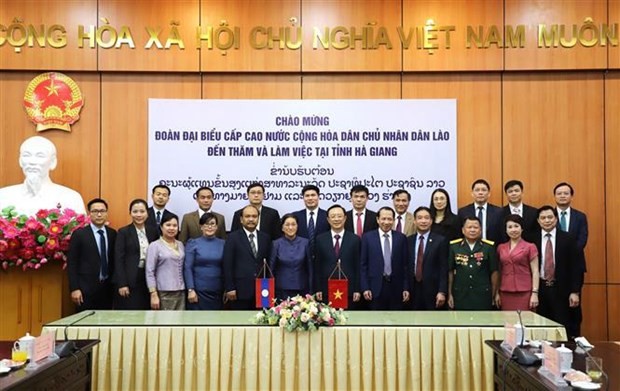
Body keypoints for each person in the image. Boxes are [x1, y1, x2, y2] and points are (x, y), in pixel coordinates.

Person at [0, 136, 85, 215]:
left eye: (40, 156)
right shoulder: (3, 196)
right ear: (20, 161)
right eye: (26, 155)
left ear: (53, 162)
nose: (32, 162)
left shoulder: (71, 198)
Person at [533, 205, 584, 338]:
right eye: (543, 218)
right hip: (541, 289)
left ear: (556, 219)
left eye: (550, 217)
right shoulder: (531, 238)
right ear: (538, 221)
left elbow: (576, 267)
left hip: (562, 290)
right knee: (542, 327)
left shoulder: (568, 238)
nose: (547, 220)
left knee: (564, 327)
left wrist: (575, 291)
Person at [67, 198, 116, 310]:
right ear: (89, 214)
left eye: (102, 211)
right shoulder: (79, 234)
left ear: (106, 213)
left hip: (107, 289)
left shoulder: (112, 234)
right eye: (95, 211)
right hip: (85, 290)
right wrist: (75, 288)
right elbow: (72, 263)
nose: (99, 214)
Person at [554, 182, 589, 337]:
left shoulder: (580, 217)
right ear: (554, 196)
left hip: (574, 268)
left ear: (571, 196)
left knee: (573, 308)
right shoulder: (548, 215)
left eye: (566, 193)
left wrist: (564, 253)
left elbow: (582, 240)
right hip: (552, 268)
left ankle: (573, 342)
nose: (562, 196)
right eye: (559, 193)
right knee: (554, 309)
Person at [223, 205, 272, 309]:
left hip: (262, 290)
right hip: (240, 290)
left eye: (254, 216)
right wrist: (230, 287)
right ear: (241, 219)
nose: (251, 219)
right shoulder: (232, 238)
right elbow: (227, 264)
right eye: (247, 216)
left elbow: (268, 263)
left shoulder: (265, 238)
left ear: (258, 219)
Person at [360, 207, 410, 310]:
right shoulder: (367, 237)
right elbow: (363, 265)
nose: (386, 222)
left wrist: (406, 288)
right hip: (375, 287)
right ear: (378, 220)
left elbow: (405, 265)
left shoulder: (401, 238)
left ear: (394, 220)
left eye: (389, 219)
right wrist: (365, 287)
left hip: (396, 288)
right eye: (383, 219)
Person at [113, 198, 159, 310]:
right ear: (130, 213)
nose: (139, 215)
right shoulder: (123, 232)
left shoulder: (153, 231)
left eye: (142, 211)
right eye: (135, 211)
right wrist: (122, 283)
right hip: (130, 279)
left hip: (149, 277)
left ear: (147, 213)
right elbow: (118, 259)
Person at [314, 204, 361, 308]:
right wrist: (318, 288)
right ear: (328, 219)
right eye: (333, 216)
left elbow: (358, 266)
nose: (336, 219)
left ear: (345, 218)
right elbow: (317, 266)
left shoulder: (355, 239)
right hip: (326, 289)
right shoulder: (320, 239)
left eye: (339, 216)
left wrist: (357, 289)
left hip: (349, 290)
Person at [448, 216, 498, 310]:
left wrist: (494, 294)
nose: (472, 230)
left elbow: (494, 272)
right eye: (469, 227)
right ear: (463, 230)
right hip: (460, 294)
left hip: (483, 294)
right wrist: (450, 294)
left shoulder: (488, 247)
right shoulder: (454, 247)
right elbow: (450, 271)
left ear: (480, 230)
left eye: (475, 227)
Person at [494, 214, 540, 311]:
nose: (513, 230)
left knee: (525, 322)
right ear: (506, 230)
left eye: (516, 226)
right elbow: (499, 271)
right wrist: (497, 292)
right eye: (510, 227)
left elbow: (535, 271)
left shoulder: (530, 247)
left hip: (524, 291)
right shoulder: (501, 247)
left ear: (522, 228)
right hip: (505, 291)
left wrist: (534, 293)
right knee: (508, 323)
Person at [407, 207, 448, 310]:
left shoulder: (440, 241)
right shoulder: (408, 241)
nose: (423, 221)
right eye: (420, 218)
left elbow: (444, 268)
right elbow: (405, 267)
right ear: (415, 221)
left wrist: (442, 291)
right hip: (412, 290)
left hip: (433, 291)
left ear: (431, 221)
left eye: (426, 218)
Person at [184, 213, 225, 310]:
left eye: (212, 224)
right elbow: (187, 267)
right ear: (201, 226)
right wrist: (190, 289)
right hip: (198, 293)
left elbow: (226, 267)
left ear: (216, 227)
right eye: (206, 224)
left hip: (218, 292)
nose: (209, 227)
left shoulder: (223, 244)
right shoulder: (193, 243)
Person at [146, 214, 186, 310]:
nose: (171, 228)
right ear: (161, 227)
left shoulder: (180, 244)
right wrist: (153, 294)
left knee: (180, 322)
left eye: (175, 225)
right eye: (168, 225)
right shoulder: (155, 245)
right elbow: (149, 271)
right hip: (163, 292)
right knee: (165, 322)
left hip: (181, 291)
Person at [269, 214, 312, 300]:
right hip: (281, 289)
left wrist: (311, 290)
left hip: (301, 288)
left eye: (293, 224)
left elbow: (310, 268)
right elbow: (271, 268)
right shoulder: (276, 244)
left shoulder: (305, 243)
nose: (290, 227)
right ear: (282, 228)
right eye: (287, 225)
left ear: (297, 226)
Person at [457, 179, 503, 243]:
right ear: (472, 193)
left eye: (484, 190)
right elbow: (459, 235)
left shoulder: (498, 212)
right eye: (477, 190)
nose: (480, 193)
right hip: (469, 249)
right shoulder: (463, 212)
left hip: (492, 249)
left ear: (489, 193)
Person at [292, 185, 329, 254]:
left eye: (313, 195)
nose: (310, 198)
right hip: (300, 256)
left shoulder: (327, 215)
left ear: (318, 197)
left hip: (322, 256)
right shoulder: (296, 216)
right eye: (307, 196)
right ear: (303, 198)